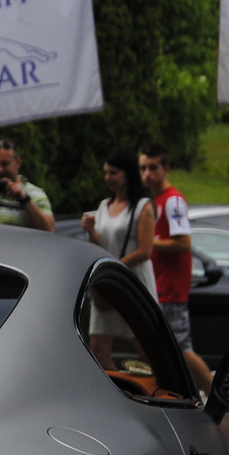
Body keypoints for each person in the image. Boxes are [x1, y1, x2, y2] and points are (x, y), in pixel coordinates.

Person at [139, 142, 213, 390]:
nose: (147, 174)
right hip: (159, 285)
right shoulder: (157, 200)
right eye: (143, 168)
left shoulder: (173, 201)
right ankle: (178, 390)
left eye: (153, 168)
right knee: (161, 347)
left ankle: (215, 395)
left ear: (166, 168)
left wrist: (149, 242)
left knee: (180, 347)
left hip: (171, 286)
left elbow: (183, 243)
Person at [82, 150, 157, 367]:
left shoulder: (143, 206)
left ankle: (166, 391)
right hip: (110, 283)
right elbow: (102, 243)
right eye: (106, 173)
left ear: (127, 174)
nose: (108, 178)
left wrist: (114, 268)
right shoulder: (104, 206)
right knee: (98, 346)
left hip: (134, 283)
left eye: (113, 173)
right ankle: (123, 391)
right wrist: (90, 232)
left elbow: (145, 250)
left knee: (145, 345)